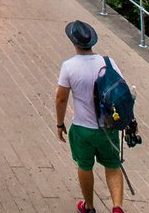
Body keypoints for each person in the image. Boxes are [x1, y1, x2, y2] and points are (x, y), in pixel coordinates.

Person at [55, 20, 125, 213]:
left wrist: (60, 124)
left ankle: (89, 206)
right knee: (112, 165)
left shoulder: (69, 66)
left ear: (73, 42)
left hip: (82, 128)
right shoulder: (108, 63)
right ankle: (117, 207)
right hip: (107, 128)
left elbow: (61, 99)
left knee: (85, 166)